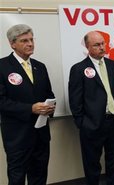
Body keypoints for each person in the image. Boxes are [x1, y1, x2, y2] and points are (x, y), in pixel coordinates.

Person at [68, 31, 114, 185]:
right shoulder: (78, 69)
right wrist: (83, 123)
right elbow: (75, 101)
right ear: (88, 47)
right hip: (92, 125)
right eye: (97, 45)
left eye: (103, 43)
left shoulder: (112, 65)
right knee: (92, 165)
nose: (102, 47)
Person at [0, 24, 56, 185]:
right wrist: (30, 108)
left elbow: (49, 94)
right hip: (17, 137)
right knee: (17, 178)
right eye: (24, 40)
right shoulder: (2, 67)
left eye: (31, 40)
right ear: (12, 43)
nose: (30, 44)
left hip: (41, 134)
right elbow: (1, 102)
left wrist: (50, 106)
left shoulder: (40, 66)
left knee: (39, 176)